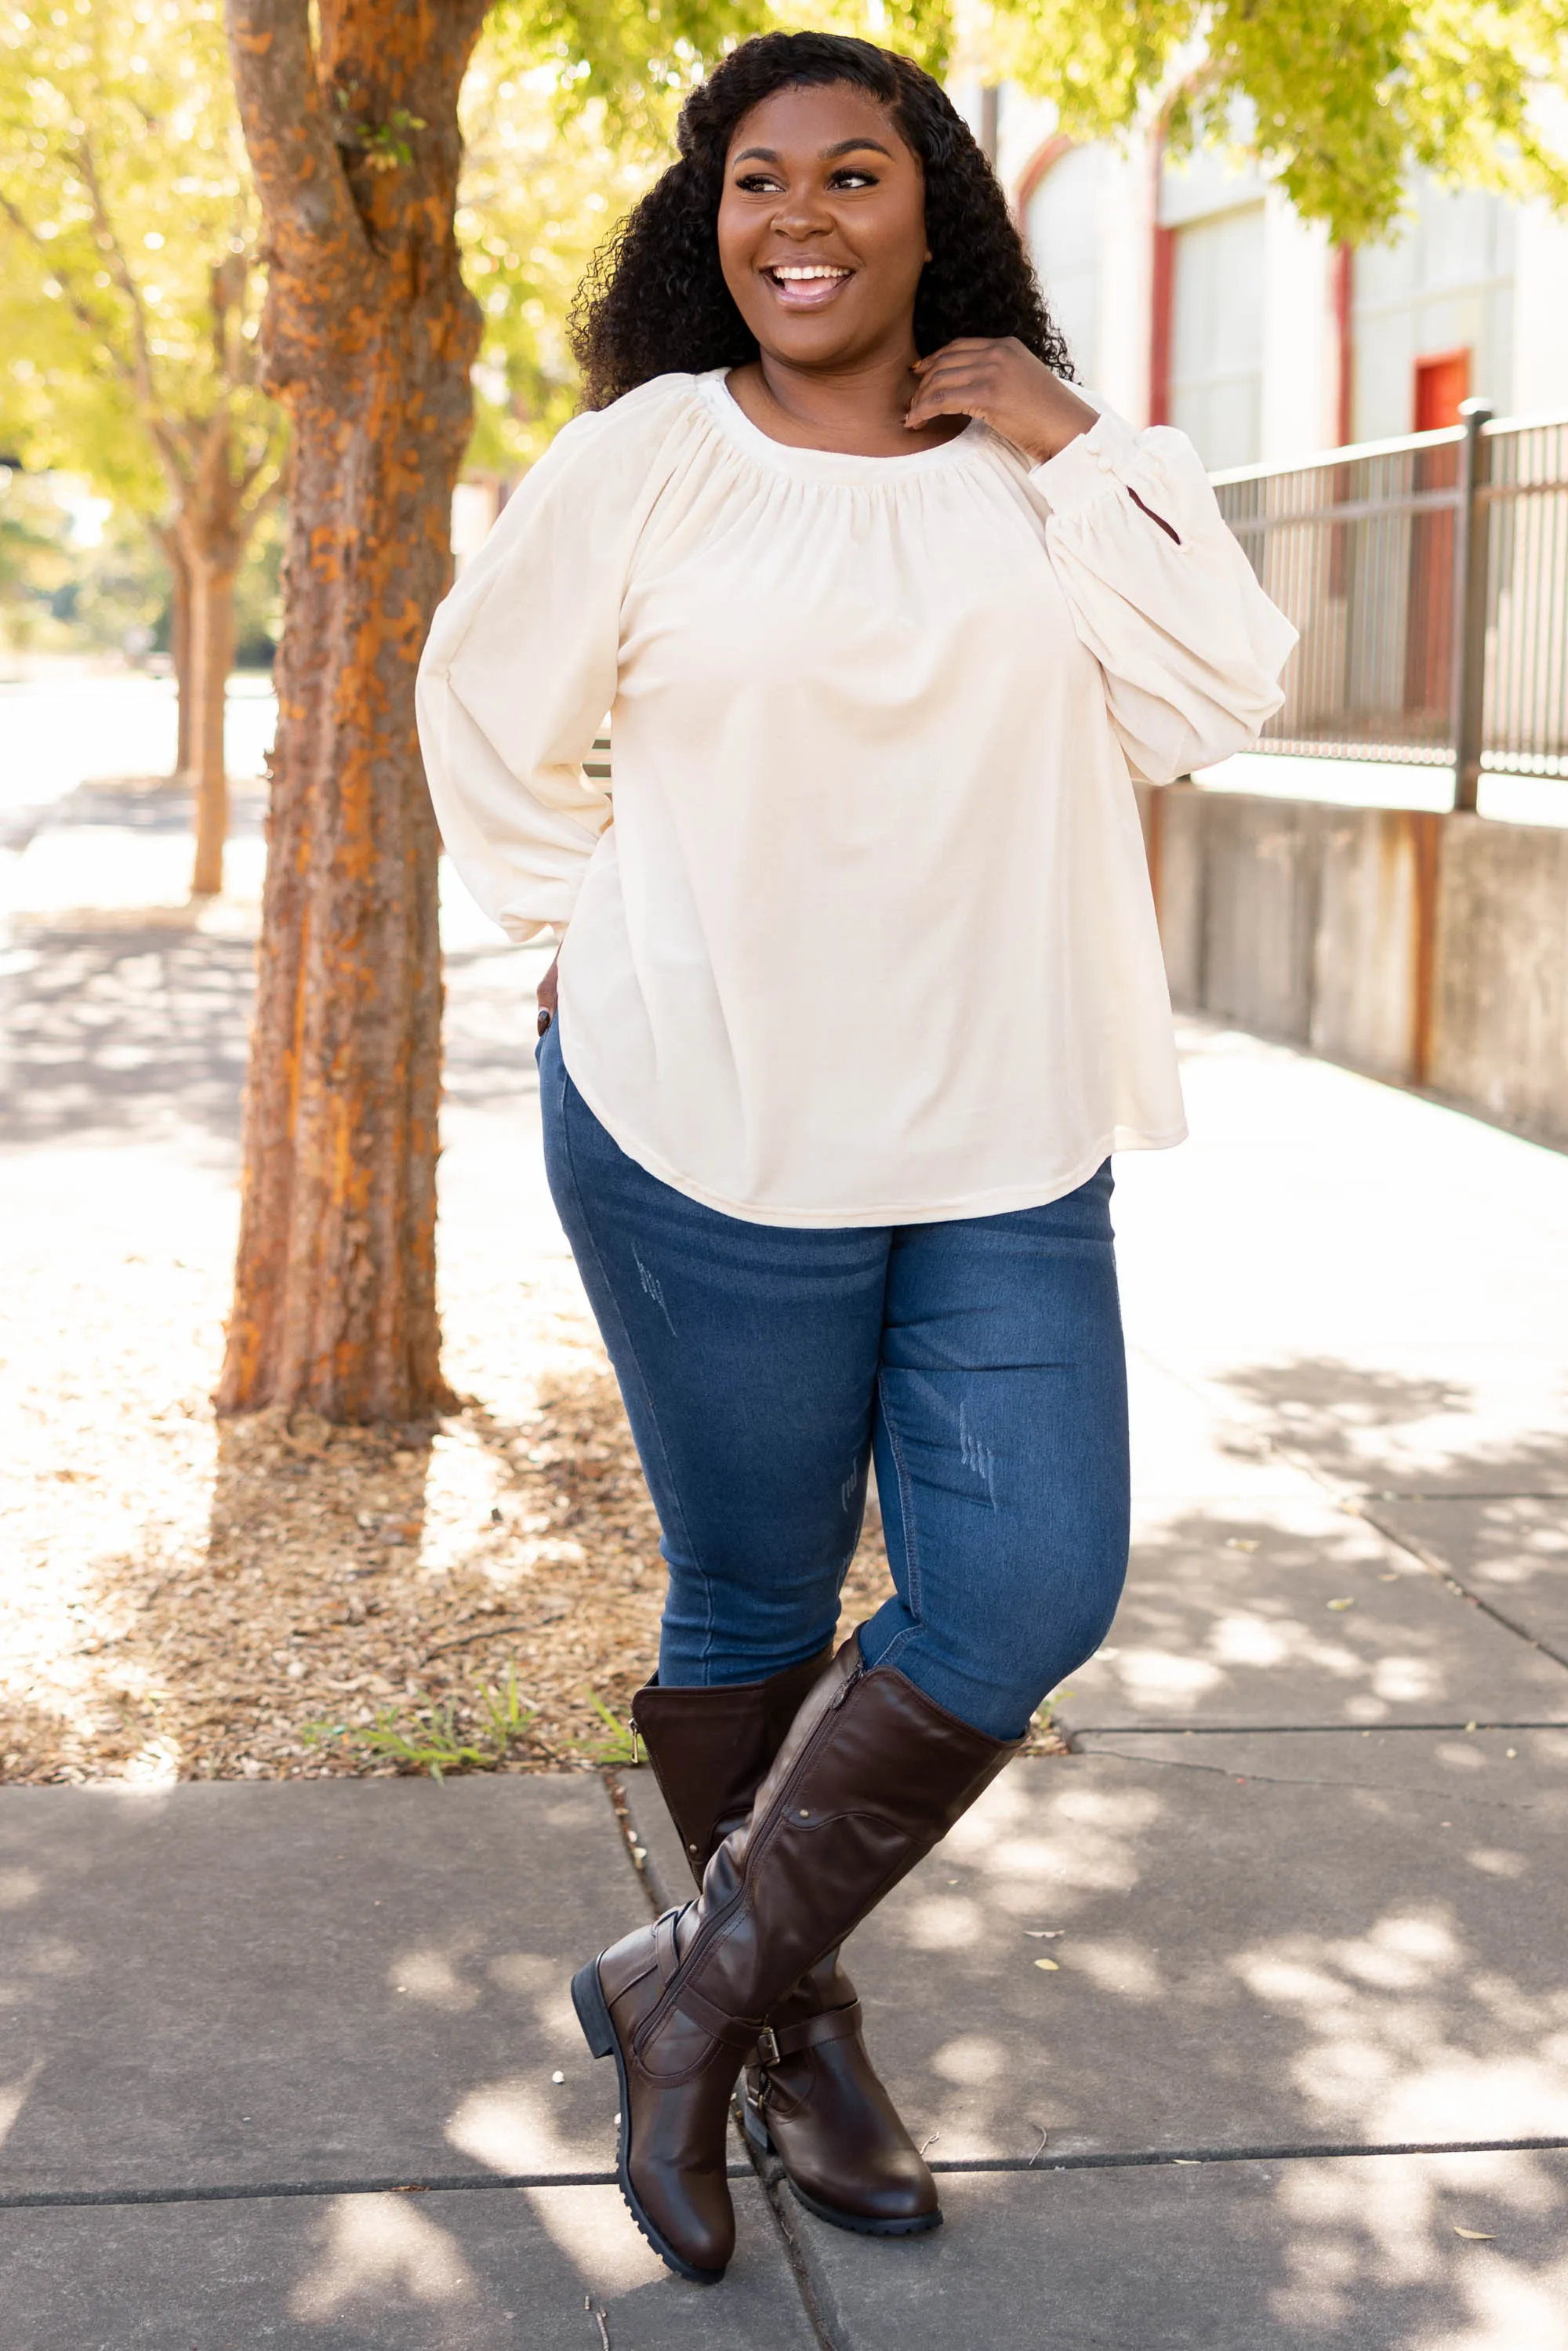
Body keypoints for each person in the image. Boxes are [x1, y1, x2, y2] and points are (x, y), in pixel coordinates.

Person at [416, 29, 1294, 2287]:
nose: (795, 214)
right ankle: (797, 2037)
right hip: (705, 1119)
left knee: (1023, 1589)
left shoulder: (1031, 466)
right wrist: (574, 923)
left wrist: (1071, 431)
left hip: (1002, 1119)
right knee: (755, 1603)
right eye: (753, 179)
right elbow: (477, 705)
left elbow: (1215, 692)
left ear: (936, 214)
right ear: (713, 223)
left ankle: (685, 1990)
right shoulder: (646, 462)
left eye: (852, 173)